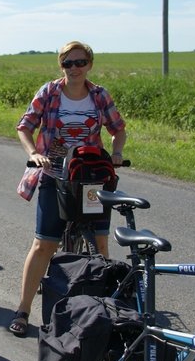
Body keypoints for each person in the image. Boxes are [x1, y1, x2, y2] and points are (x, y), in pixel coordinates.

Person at [9, 41, 127, 337]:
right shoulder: (49, 92)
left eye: (80, 62)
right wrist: (34, 154)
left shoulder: (99, 95)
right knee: (44, 245)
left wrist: (116, 152)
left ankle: (103, 310)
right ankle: (23, 310)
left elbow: (118, 128)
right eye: (67, 63)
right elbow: (25, 126)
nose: (74, 68)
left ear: (89, 64)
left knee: (100, 244)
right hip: (55, 174)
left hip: (90, 175)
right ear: (60, 65)